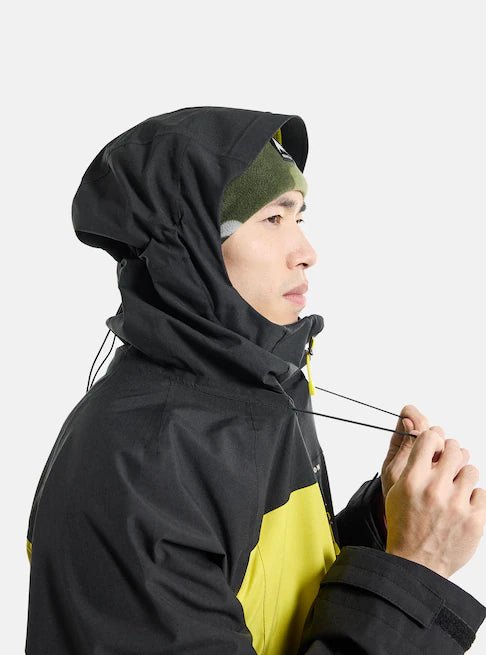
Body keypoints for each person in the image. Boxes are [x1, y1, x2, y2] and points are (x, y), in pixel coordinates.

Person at [25, 106, 486, 654]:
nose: (307, 253)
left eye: (300, 218)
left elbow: (266, 600)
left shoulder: (254, 392)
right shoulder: (140, 466)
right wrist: (415, 570)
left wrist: (385, 526)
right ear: (190, 250)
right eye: (272, 218)